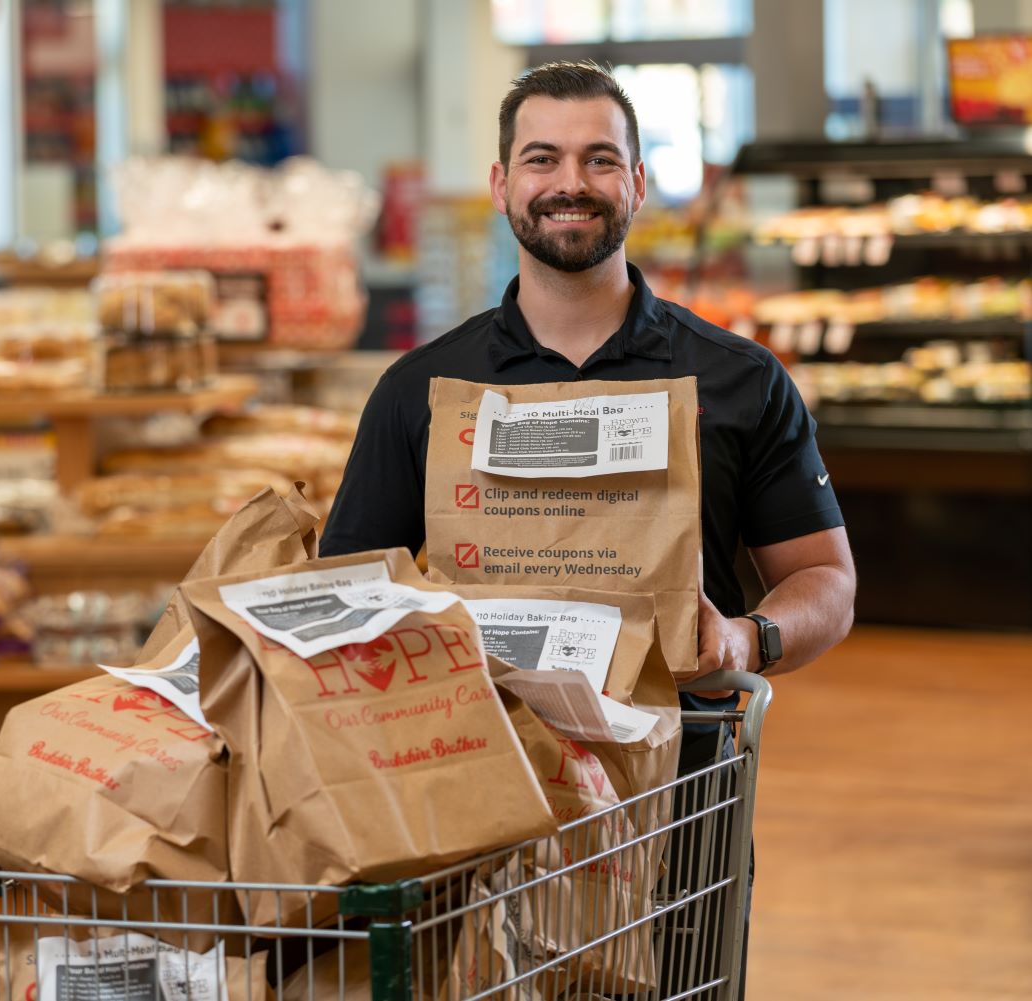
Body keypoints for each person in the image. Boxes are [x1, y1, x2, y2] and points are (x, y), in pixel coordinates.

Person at [319, 62, 856, 994]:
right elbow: (343, 597)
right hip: (473, 788)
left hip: (682, 789)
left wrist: (745, 634)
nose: (571, 182)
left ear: (637, 184)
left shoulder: (740, 380)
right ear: (502, 186)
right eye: (543, 158)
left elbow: (827, 579)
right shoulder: (421, 394)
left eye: (600, 159)